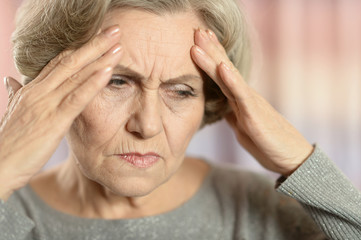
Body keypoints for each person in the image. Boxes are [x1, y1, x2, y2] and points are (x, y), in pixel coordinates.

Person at [0, 0, 360, 239]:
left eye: (181, 91)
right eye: (117, 81)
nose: (148, 125)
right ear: (49, 86)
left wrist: (302, 162)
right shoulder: (9, 209)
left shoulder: (258, 210)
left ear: (213, 100)